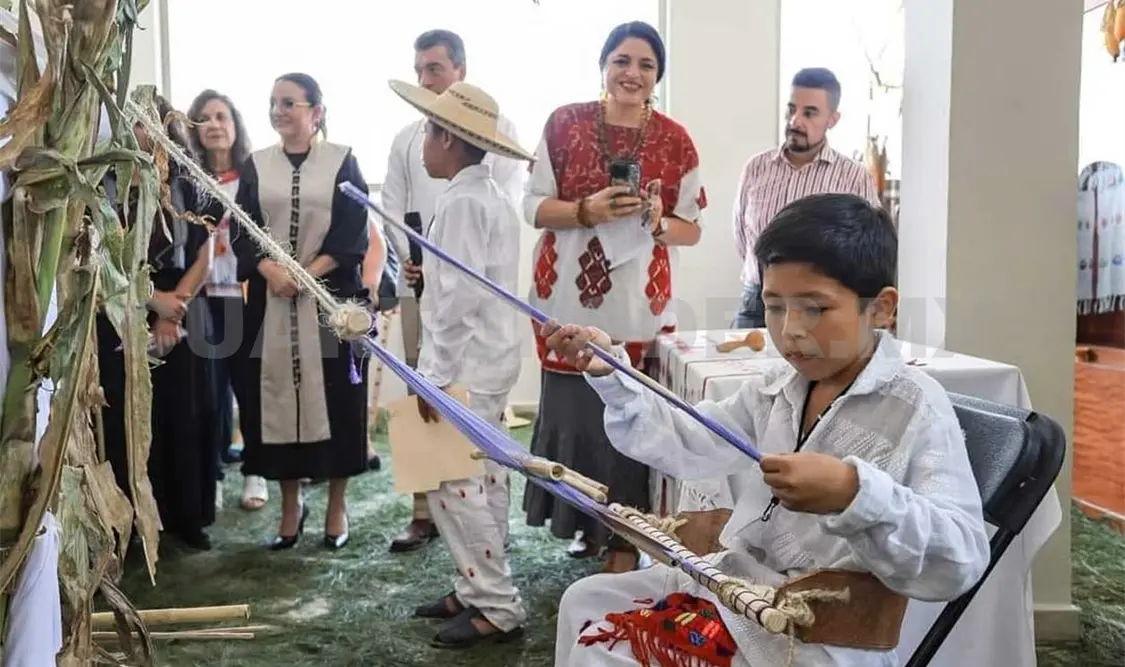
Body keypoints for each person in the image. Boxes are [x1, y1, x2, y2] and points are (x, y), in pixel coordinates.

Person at [544, 194, 991, 666]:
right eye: (774, 306)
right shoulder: (780, 388)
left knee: (607, 659)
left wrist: (854, 494)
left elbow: (961, 557)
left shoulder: (917, 406)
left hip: (815, 634)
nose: (791, 330)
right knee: (585, 599)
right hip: (742, 591)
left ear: (880, 308)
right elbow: (690, 437)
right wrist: (611, 372)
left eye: (814, 309)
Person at [521, 21, 705, 573]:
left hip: (637, 305)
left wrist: (656, 219)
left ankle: (625, 539)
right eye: (622, 60)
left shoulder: (676, 139)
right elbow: (532, 207)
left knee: (633, 416)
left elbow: (691, 228)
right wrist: (586, 210)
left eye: (646, 65)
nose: (632, 73)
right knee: (574, 416)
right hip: (566, 299)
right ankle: (583, 523)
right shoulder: (565, 123)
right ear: (603, 65)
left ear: (658, 77)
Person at [388, 77, 530, 649]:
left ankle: (496, 603)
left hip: (465, 368)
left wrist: (433, 376)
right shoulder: (484, 196)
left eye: (428, 131)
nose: (422, 142)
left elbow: (458, 302)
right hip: (488, 361)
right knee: (485, 479)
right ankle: (476, 589)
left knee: (456, 485)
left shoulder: (467, 202)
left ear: (446, 138)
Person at [231, 72, 378, 550]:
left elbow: (355, 230)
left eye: (289, 103)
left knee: (339, 403)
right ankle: (290, 507)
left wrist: (308, 272)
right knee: (271, 402)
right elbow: (242, 228)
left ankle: (337, 506)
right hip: (271, 301)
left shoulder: (342, 162)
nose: (278, 111)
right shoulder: (256, 165)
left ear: (315, 111)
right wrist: (269, 269)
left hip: (331, 303)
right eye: (273, 102)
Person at [98, 96, 218, 550]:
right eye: (133, 122)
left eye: (151, 122)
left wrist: (175, 306)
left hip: (183, 306)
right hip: (120, 306)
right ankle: (130, 526)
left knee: (182, 416)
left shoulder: (189, 181)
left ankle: (189, 517)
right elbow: (96, 254)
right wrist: (151, 302)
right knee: (127, 419)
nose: (142, 130)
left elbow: (206, 248)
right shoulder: (102, 178)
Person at [732, 68, 880, 329]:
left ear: (832, 119)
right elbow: (742, 239)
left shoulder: (853, 178)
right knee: (735, 369)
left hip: (818, 309)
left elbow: (866, 249)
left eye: (809, 113)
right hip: (756, 303)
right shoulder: (756, 168)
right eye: (791, 109)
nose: (795, 121)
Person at [185, 88, 269, 512]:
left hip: (245, 294)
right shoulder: (187, 178)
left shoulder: (253, 177)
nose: (214, 125)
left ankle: (256, 471)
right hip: (203, 298)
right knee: (211, 392)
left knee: (249, 386)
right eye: (205, 118)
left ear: (236, 127)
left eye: (222, 116)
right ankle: (213, 473)